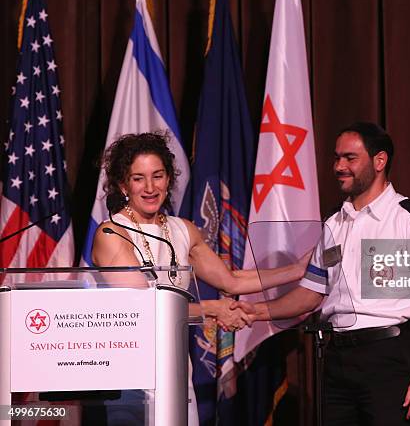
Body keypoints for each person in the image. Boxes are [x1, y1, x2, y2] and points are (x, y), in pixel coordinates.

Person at [235, 122, 410, 424]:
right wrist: (252, 312)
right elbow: (310, 295)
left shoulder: (409, 220)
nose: (339, 166)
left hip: (389, 357)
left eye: (350, 158)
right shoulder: (334, 224)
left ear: (380, 161)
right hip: (337, 359)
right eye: (337, 158)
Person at [91, 131, 310, 425]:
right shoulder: (111, 233)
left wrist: (299, 269)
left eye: (157, 176)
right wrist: (211, 309)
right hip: (131, 368)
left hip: (177, 365)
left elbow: (232, 281)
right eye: (138, 178)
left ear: (169, 179)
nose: (150, 187)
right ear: (123, 184)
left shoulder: (183, 229)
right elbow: (141, 308)